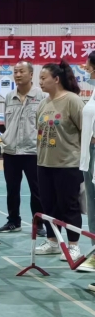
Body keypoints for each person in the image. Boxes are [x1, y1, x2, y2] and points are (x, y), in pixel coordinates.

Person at [35, 60, 84, 261]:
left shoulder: (73, 101)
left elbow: (86, 131)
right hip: (44, 163)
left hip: (68, 164)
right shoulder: (43, 103)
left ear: (56, 79)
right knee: (48, 206)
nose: (40, 82)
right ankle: (53, 242)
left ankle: (73, 246)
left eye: (43, 78)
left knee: (69, 206)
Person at [0, 61, 46, 236]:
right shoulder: (9, 97)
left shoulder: (42, 96)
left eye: (21, 71)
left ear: (31, 74)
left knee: (37, 190)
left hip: (33, 151)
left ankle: (38, 224)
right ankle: (13, 221)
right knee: (12, 189)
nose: (18, 75)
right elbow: (7, 123)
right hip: (11, 151)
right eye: (15, 72)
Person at [79, 52, 95, 274]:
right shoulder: (93, 92)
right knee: (92, 206)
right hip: (89, 153)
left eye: (88, 66)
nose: (85, 68)